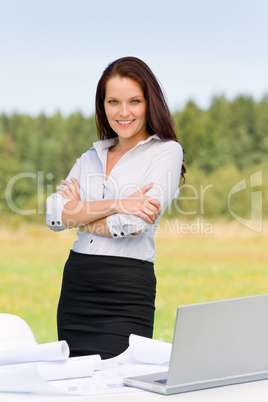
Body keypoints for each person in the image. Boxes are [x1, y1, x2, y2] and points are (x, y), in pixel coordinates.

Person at [46, 56, 185, 359]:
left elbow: (133, 224)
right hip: (77, 285)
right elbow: (54, 215)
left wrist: (79, 214)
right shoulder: (88, 158)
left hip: (126, 288)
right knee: (75, 380)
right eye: (113, 102)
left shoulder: (166, 152)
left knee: (117, 383)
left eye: (134, 101)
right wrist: (119, 203)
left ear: (150, 103)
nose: (123, 112)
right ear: (102, 105)